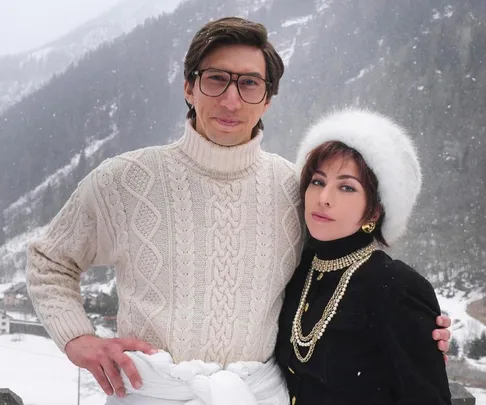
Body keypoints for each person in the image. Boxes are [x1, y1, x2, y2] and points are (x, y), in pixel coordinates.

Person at [26, 17, 451, 403]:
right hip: (151, 394)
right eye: (216, 80)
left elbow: (338, 269)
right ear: (189, 88)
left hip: (257, 396)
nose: (231, 100)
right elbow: (50, 260)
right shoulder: (124, 179)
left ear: (267, 99)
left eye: (249, 83)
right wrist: (78, 339)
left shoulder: (292, 188)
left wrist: (417, 323)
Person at [276, 108, 452, 405]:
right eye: (317, 181)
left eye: (347, 187)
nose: (324, 197)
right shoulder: (295, 266)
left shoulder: (397, 286)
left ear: (375, 210)